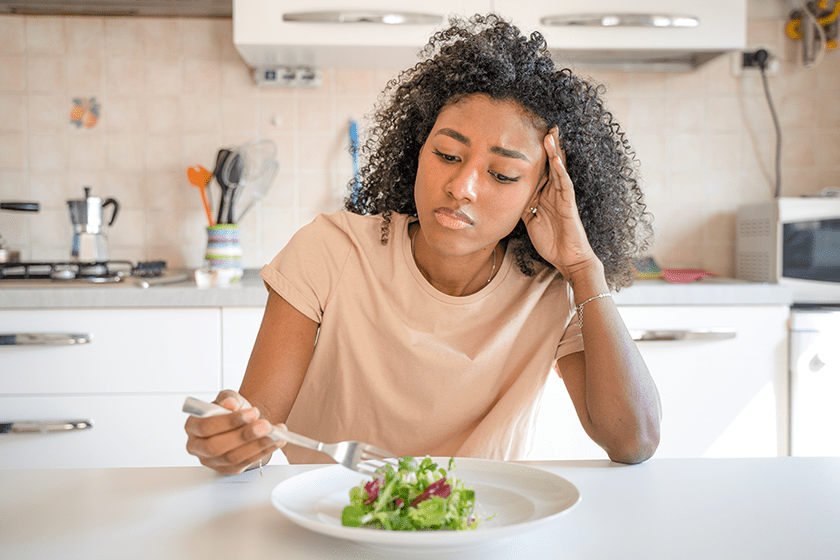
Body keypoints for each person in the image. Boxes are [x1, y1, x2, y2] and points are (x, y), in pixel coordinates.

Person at [185, 13, 661, 474]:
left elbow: (633, 440)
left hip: (478, 528)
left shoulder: (551, 287)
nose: (462, 187)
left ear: (539, 193)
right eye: (447, 154)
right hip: (331, 522)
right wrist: (234, 437)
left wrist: (583, 266)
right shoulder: (329, 251)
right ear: (418, 150)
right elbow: (258, 424)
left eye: (502, 174)